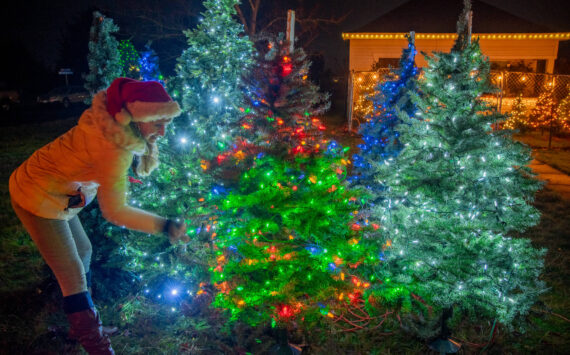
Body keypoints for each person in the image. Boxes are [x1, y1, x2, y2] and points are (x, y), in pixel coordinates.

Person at [9, 78, 189, 355]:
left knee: (84, 250)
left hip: (59, 194)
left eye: (166, 122)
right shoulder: (112, 147)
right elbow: (115, 211)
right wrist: (164, 226)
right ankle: (98, 346)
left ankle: (81, 326)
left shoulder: (114, 126)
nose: (163, 132)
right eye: (157, 123)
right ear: (135, 118)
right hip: (36, 196)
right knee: (73, 275)